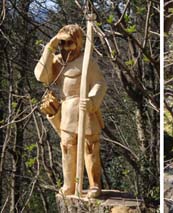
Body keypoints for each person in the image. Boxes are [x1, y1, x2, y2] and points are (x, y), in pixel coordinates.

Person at [34, 24, 107, 198]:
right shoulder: (58, 62)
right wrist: (50, 47)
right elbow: (41, 76)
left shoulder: (87, 60)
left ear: (78, 42)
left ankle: (94, 184)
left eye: (69, 43)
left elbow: (100, 83)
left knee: (90, 147)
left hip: (85, 110)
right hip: (66, 111)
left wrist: (91, 100)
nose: (66, 47)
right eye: (63, 43)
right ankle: (70, 185)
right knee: (67, 147)